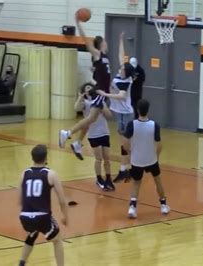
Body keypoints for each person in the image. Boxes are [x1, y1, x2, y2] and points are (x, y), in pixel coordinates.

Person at [62, 15, 112, 160]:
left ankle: (77, 142)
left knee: (91, 119)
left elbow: (101, 73)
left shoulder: (103, 58)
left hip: (103, 91)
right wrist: (78, 24)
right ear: (101, 44)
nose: (107, 43)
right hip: (100, 91)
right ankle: (67, 133)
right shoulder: (97, 54)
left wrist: (94, 70)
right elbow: (86, 40)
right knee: (90, 118)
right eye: (105, 42)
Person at [18, 144, 68, 266]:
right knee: (57, 240)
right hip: (42, 216)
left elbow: (20, 199)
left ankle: (21, 263)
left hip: (24, 216)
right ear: (46, 158)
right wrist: (65, 216)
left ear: (32, 158)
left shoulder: (24, 173)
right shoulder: (50, 174)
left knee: (32, 233)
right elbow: (62, 200)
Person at [97, 32, 135, 183]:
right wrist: (120, 40)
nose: (120, 70)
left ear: (126, 74)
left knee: (125, 143)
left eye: (123, 70)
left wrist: (106, 94)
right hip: (119, 112)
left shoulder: (126, 81)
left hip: (125, 113)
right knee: (123, 143)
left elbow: (121, 96)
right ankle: (127, 169)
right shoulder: (122, 74)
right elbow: (122, 56)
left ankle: (125, 170)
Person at [122, 99, 169, 218]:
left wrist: (130, 154)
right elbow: (159, 144)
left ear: (137, 110)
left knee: (136, 183)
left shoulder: (131, 125)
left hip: (136, 160)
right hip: (151, 159)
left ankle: (132, 208)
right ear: (148, 110)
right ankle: (163, 206)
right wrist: (156, 157)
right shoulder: (154, 125)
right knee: (157, 180)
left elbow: (125, 144)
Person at [74, 83, 114, 191]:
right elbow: (76, 108)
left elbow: (109, 116)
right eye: (86, 88)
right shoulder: (85, 103)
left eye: (90, 87)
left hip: (105, 132)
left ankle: (109, 178)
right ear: (84, 91)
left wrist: (102, 108)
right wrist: (79, 97)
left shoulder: (100, 102)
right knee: (98, 158)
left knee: (107, 158)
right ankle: (99, 178)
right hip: (93, 134)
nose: (89, 89)